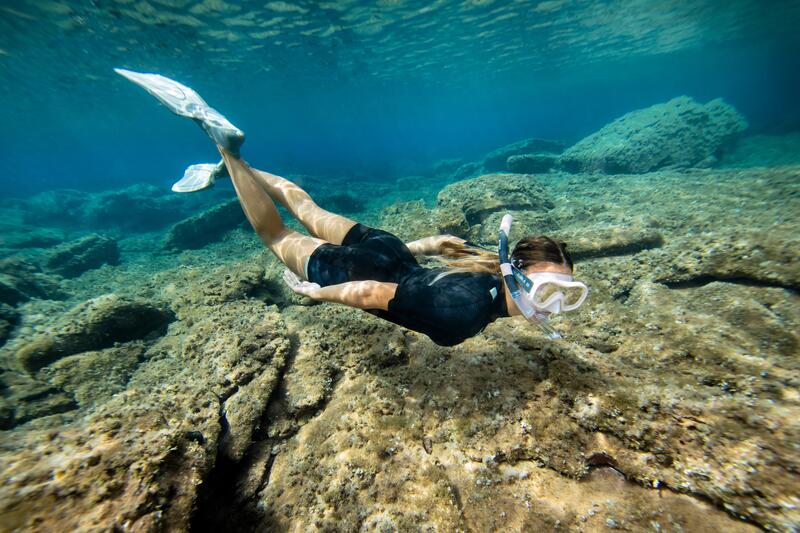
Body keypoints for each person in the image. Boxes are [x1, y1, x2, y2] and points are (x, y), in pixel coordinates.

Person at [116, 69, 588, 345]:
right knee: (276, 235)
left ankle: (232, 167)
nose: (558, 306)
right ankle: (227, 152)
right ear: (520, 276)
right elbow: (373, 295)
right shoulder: (464, 314)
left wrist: (423, 243)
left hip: (390, 251)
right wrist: (314, 294)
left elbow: (428, 263)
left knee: (303, 203)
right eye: (552, 291)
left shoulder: (489, 268)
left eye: (567, 295)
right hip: (364, 273)